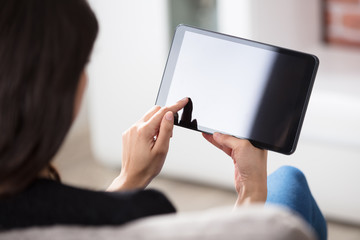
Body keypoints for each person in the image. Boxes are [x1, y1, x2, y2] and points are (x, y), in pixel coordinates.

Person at [0, 0, 326, 239]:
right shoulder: (140, 217)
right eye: (82, 64)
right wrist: (252, 191)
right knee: (289, 182)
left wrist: (129, 178)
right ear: (53, 90)